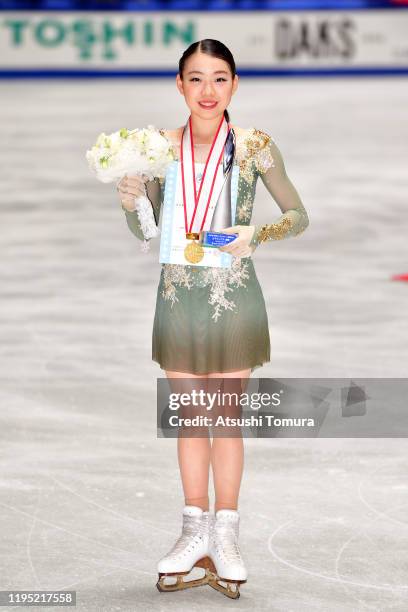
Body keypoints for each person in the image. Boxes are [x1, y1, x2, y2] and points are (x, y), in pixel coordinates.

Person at [117, 39, 309, 599]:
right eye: (196, 79)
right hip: (178, 298)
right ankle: (190, 530)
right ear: (179, 85)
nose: (208, 91)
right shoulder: (157, 149)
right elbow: (144, 232)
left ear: (235, 84)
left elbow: (298, 214)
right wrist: (131, 202)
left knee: (224, 419)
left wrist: (260, 234)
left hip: (233, 297)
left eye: (219, 78)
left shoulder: (253, 147)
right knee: (190, 419)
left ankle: (225, 534)